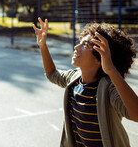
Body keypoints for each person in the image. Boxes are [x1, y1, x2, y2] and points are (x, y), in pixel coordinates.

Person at [33, 17, 138, 147]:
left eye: (84, 45)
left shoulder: (109, 88)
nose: (76, 47)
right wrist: (43, 46)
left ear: (100, 58)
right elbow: (52, 74)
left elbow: (136, 115)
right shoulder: (74, 79)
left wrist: (111, 70)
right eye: (79, 42)